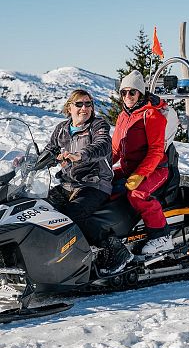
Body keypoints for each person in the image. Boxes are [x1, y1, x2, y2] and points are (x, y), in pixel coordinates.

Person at [43, 89, 133, 275]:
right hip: (68, 184)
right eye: (79, 104)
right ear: (69, 107)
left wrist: (79, 155)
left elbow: (101, 146)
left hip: (95, 184)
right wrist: (30, 161)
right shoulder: (61, 129)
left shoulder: (97, 125)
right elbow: (49, 151)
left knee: (72, 215)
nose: (84, 108)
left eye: (88, 104)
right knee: (42, 211)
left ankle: (116, 249)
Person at [112, 70, 173, 255]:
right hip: (129, 168)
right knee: (102, 184)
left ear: (140, 93)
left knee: (137, 193)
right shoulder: (124, 115)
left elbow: (156, 151)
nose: (127, 96)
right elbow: (116, 149)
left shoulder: (152, 115)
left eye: (132, 92)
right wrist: (100, 167)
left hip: (156, 169)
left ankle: (161, 237)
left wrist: (140, 174)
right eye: (124, 92)